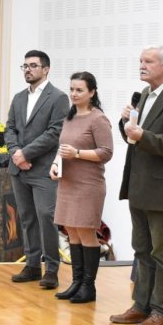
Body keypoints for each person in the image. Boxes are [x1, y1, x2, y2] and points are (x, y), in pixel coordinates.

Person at [109, 46, 163, 325]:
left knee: (162, 252)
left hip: (162, 189)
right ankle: (141, 305)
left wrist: (143, 135)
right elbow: (134, 140)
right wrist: (126, 124)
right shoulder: (145, 95)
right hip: (139, 185)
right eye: (141, 61)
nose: (142, 65)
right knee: (142, 249)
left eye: (148, 61)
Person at [4, 50, 70, 288]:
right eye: (25, 66)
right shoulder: (19, 97)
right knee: (27, 218)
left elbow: (55, 133)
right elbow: (9, 129)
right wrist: (16, 154)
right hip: (19, 168)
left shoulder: (58, 98)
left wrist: (26, 153)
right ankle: (32, 265)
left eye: (33, 65)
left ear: (46, 69)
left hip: (42, 169)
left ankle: (51, 269)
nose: (28, 70)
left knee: (46, 217)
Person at [48, 72, 113, 304]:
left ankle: (88, 286)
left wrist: (77, 154)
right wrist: (55, 165)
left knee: (86, 232)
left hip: (88, 185)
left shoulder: (98, 119)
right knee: (71, 231)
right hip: (68, 183)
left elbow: (106, 152)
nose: (74, 94)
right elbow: (63, 147)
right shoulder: (70, 117)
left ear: (92, 93)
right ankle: (76, 282)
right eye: (72, 89)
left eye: (79, 90)